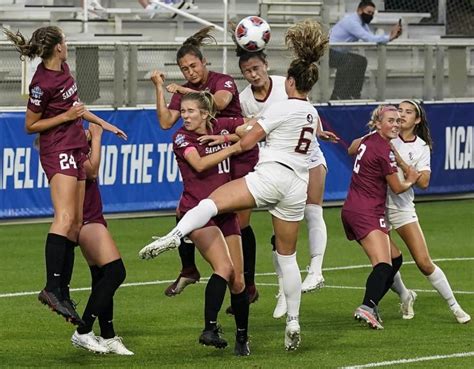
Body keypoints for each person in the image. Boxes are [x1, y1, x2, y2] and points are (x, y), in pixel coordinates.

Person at [140, 19, 329, 351]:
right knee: (287, 257)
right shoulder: (311, 112)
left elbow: (248, 140)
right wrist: (229, 133)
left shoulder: (281, 106)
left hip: (271, 177)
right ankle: (294, 320)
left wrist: (227, 141)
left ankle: (174, 237)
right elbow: (245, 127)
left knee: (211, 203)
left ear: (290, 81)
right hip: (297, 187)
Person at [2, 25, 126, 325]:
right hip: (57, 149)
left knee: (77, 222)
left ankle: (62, 289)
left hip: (73, 148)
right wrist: (66, 117)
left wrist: (104, 124)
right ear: (58, 47)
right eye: (65, 41)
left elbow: (76, 108)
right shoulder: (41, 82)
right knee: (65, 218)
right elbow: (30, 125)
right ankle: (52, 286)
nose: (67, 45)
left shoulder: (65, 70)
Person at [149, 26, 260, 308]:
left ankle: (248, 283)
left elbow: (218, 103)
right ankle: (189, 269)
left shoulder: (222, 81)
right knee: (184, 210)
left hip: (238, 156)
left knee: (237, 222)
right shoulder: (186, 96)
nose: (190, 72)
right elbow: (165, 122)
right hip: (212, 155)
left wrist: (186, 92)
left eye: (193, 66)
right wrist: (160, 89)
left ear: (204, 62)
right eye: (184, 69)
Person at [151, 91, 250, 355]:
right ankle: (210, 327)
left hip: (225, 210)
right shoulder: (182, 137)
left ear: (206, 113)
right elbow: (200, 164)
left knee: (238, 280)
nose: (184, 116)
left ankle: (242, 339)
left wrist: (226, 137)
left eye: (190, 111)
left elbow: (252, 127)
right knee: (224, 268)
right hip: (197, 212)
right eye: (182, 112)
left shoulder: (220, 126)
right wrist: (234, 146)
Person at [385, 100, 470, 324]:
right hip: (376, 206)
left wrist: (401, 161)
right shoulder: (384, 134)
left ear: (418, 119)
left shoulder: (421, 147)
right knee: (385, 262)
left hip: (401, 206)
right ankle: (405, 294)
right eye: (399, 110)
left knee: (423, 262)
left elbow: (423, 182)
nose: (402, 115)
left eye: (408, 112)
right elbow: (355, 149)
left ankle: (455, 306)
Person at [342, 105, 420, 330]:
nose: (396, 124)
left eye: (398, 121)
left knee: (395, 259)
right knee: (383, 265)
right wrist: (412, 179)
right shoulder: (383, 150)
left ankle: (371, 304)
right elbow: (397, 187)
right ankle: (367, 307)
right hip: (365, 211)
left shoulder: (368, 140)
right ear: (377, 123)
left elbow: (350, 149)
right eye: (390, 121)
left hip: (355, 208)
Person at [70, 124, 133, 355]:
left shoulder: (72, 147)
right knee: (116, 272)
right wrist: (96, 137)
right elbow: (92, 171)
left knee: (101, 277)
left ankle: (108, 336)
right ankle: (83, 329)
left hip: (91, 216)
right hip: (86, 219)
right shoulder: (70, 149)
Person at [329, 0, 402, 100]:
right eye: (368, 12)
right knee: (347, 61)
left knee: (361, 61)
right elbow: (368, 38)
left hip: (339, 52)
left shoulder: (362, 23)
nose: (370, 16)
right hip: (327, 52)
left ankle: (353, 94)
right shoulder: (351, 22)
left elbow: (371, 38)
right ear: (359, 10)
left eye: (372, 13)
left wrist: (391, 37)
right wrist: (389, 37)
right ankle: (337, 95)